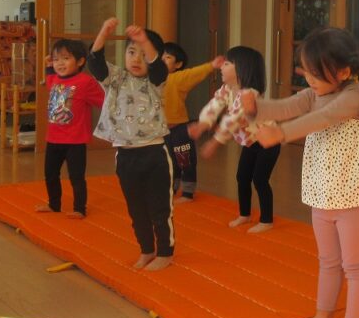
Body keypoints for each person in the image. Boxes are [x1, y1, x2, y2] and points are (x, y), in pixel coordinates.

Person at [241, 27, 359, 318]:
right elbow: (285, 107)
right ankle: (323, 316)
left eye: (315, 74)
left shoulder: (352, 96)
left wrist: (281, 134)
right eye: (306, 72)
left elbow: (323, 118)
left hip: (354, 192)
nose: (309, 80)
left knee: (355, 265)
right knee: (328, 260)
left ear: (344, 72)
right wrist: (256, 106)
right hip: (324, 191)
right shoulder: (313, 93)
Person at [88, 17, 174, 271]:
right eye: (131, 52)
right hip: (126, 156)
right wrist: (104, 32)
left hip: (154, 153)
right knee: (136, 210)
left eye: (143, 54)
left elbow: (158, 68)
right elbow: (95, 61)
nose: (137, 59)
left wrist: (145, 41)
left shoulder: (156, 83)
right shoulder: (115, 78)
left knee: (160, 208)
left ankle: (165, 252)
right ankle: (147, 249)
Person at [189, 46, 279, 233]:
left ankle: (266, 220)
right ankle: (245, 214)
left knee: (260, 179)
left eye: (227, 63)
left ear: (242, 69)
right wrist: (203, 124)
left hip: (268, 141)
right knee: (242, 177)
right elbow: (214, 106)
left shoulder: (250, 95)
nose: (221, 66)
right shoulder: (227, 89)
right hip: (251, 142)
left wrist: (214, 142)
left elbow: (234, 120)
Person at [35, 38, 106, 219]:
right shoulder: (54, 79)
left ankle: (79, 208)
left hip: (75, 140)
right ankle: (54, 204)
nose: (60, 63)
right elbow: (49, 78)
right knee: (50, 174)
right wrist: (49, 65)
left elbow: (104, 102)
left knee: (76, 177)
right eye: (56, 59)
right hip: (53, 139)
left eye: (66, 58)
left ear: (80, 61)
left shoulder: (85, 82)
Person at [161, 42, 224, 203]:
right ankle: (171, 189)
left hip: (180, 130)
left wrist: (211, 66)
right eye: (160, 56)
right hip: (163, 131)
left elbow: (195, 73)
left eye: (167, 57)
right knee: (170, 161)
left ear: (178, 64)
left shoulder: (178, 78)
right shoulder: (153, 79)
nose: (162, 59)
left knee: (185, 161)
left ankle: (188, 193)